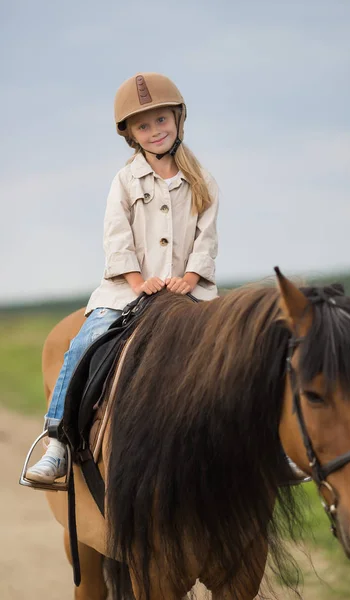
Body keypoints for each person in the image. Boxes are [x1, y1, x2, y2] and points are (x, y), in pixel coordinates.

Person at [26, 72, 219, 484]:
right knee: (82, 344)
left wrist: (190, 276)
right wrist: (136, 281)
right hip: (125, 291)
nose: (155, 131)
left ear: (178, 120)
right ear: (131, 134)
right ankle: (57, 441)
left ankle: (264, 446)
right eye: (144, 126)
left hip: (190, 290)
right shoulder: (125, 181)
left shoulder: (202, 182)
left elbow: (207, 237)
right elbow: (117, 236)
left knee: (236, 349)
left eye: (161, 121)